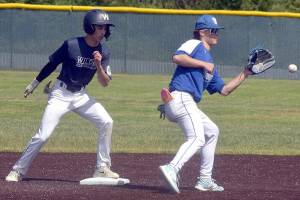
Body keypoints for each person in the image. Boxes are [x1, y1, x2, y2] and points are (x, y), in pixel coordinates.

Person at [6, 9, 120, 182]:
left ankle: (102, 168)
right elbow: (52, 64)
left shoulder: (104, 51)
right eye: (100, 27)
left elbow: (105, 82)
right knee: (43, 135)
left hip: (81, 95)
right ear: (89, 27)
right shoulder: (71, 45)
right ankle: (17, 170)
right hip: (60, 93)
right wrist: (34, 83)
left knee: (107, 121)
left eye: (105, 28)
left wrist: (98, 64)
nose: (103, 32)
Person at [158, 15, 253, 193]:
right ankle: (172, 167)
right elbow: (177, 57)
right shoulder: (194, 44)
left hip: (186, 103)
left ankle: (204, 179)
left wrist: (245, 73)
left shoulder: (210, 65)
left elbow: (224, 90)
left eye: (217, 31)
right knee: (197, 137)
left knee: (211, 132)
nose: (217, 34)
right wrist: (203, 64)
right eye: (213, 31)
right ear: (202, 32)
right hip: (181, 97)